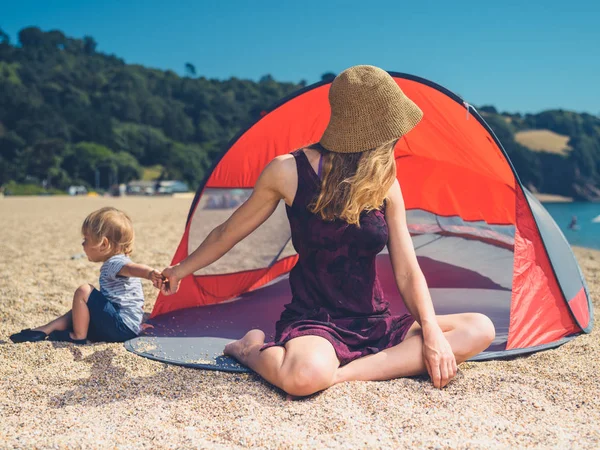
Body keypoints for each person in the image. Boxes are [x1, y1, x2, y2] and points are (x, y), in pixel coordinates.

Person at [159, 65, 495, 396]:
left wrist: (432, 330)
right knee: (304, 377)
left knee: (479, 329)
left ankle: (341, 376)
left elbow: (407, 271)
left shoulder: (385, 181)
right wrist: (180, 270)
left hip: (372, 319)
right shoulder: (288, 171)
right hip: (316, 319)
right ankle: (248, 349)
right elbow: (229, 232)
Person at [10, 207, 164, 345]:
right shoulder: (119, 261)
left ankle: (78, 336)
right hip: (126, 327)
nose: (82, 244)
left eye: (86, 239)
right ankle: (44, 330)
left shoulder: (115, 262)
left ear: (103, 244)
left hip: (120, 327)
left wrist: (149, 273)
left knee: (84, 291)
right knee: (80, 309)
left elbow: (131, 269)